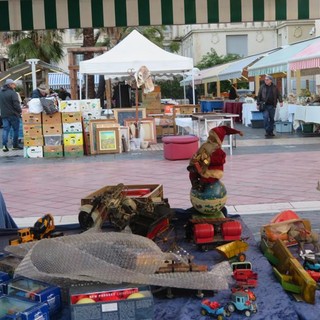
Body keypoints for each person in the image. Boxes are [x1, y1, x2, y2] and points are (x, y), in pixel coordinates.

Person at [187, 126, 243, 191]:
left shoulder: (218, 150)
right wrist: (195, 158)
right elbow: (198, 153)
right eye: (210, 136)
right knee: (193, 173)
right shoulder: (205, 145)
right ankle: (194, 182)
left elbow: (221, 160)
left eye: (213, 138)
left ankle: (201, 186)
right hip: (202, 166)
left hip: (212, 169)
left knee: (208, 178)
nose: (210, 139)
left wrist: (208, 159)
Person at [0, 79, 22, 151]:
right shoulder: (13, 93)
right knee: (16, 130)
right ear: (9, 85)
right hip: (13, 114)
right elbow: (16, 104)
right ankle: (15, 145)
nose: (14, 86)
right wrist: (20, 111)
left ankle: (4, 145)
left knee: (5, 130)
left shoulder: (1, 93)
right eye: (13, 84)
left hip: (4, 114)